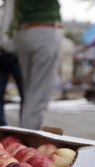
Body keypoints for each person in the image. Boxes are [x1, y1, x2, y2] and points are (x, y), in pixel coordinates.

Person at [15, 0, 63, 130]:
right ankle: (27, 141)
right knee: (37, 96)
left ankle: (23, 135)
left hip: (24, 31)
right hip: (45, 30)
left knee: (29, 93)